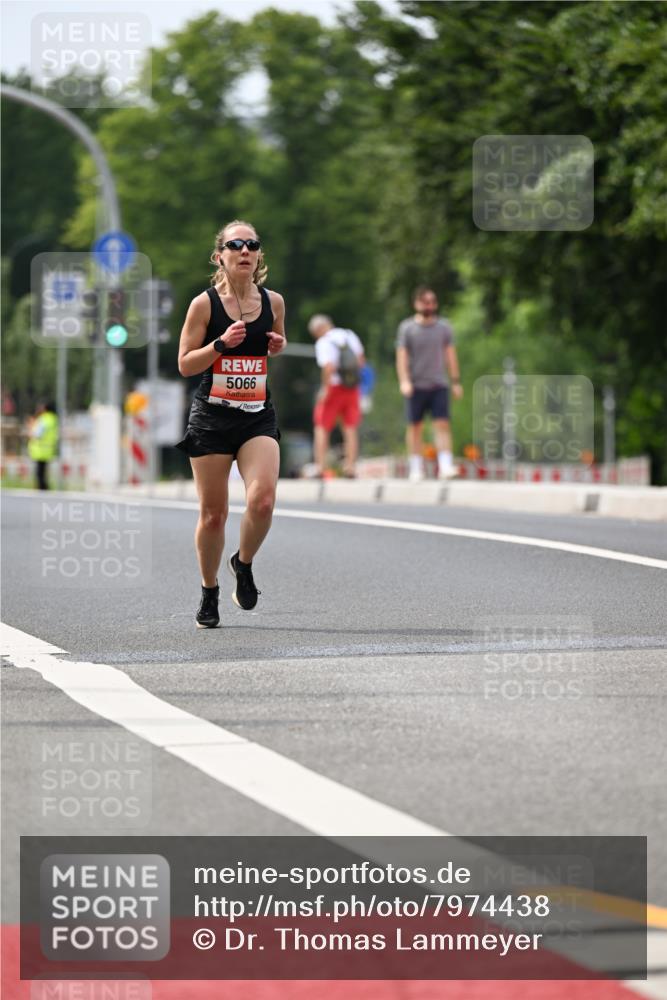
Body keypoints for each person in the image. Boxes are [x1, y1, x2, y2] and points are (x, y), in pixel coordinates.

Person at [176, 220, 287, 629]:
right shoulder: (204, 305)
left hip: (257, 414)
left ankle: (243, 562)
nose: (245, 251)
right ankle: (209, 590)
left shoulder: (274, 302)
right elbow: (185, 363)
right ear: (219, 256)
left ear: (258, 255)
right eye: (235, 245)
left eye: (252, 245)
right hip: (212, 418)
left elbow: (276, 343)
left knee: (263, 500)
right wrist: (220, 344)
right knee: (213, 515)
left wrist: (278, 345)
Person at [395, 286, 463, 482]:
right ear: (416, 303)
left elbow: (450, 354)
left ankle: (445, 465)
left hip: (438, 384)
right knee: (415, 427)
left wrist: (455, 381)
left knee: (442, 424)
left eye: (432, 302)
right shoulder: (407, 328)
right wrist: (404, 381)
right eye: (425, 302)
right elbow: (401, 356)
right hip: (415, 385)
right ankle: (416, 467)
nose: (430, 306)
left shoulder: (444, 327)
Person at [308, 314, 365, 478]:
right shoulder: (349, 335)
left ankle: (320, 467)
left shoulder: (324, 342)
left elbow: (328, 367)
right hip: (352, 387)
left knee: (321, 425)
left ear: (318, 330)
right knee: (350, 427)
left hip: (333, 387)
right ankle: (351, 467)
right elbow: (361, 360)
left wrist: (325, 389)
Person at [28, 401, 59, 490]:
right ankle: (44, 488)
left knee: (39, 473)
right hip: (49, 449)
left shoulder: (44, 419)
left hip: (40, 449)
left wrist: (31, 429)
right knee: (44, 472)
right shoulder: (54, 419)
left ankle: (42, 489)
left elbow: (37, 434)